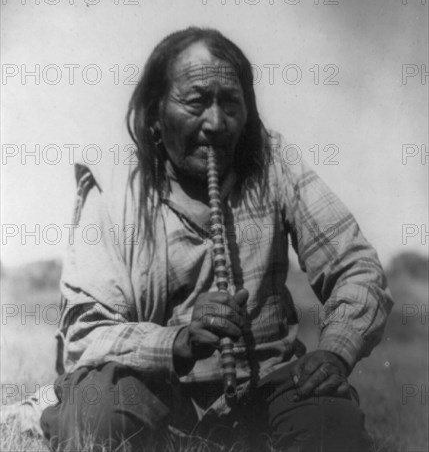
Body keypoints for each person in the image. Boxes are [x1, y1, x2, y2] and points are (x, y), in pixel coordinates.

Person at [40, 27, 393, 452]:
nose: (216, 123)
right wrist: (177, 340)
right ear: (155, 113)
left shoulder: (273, 165)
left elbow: (357, 268)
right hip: (151, 392)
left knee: (329, 424)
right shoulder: (114, 190)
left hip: (261, 388)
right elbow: (86, 331)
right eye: (195, 102)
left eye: (230, 103)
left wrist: (336, 351)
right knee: (98, 415)